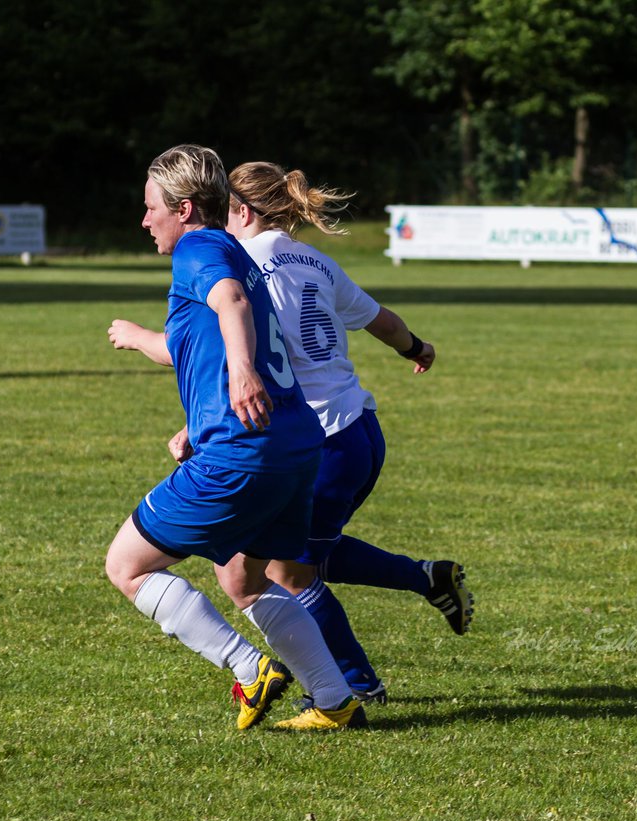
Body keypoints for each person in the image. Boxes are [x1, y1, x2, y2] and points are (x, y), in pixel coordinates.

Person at [110, 160, 472, 706]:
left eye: (151, 208)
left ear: (238, 210)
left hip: (285, 435)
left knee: (280, 571)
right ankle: (362, 661)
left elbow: (240, 334)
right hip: (345, 432)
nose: (144, 220)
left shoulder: (225, 257)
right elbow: (378, 323)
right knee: (268, 569)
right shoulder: (307, 262)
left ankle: (332, 680)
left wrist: (212, 393)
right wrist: (415, 347)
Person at [103, 144, 365, 731]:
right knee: (243, 577)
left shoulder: (198, 248)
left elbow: (231, 304)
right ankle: (334, 701)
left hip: (245, 449)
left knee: (127, 566)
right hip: (292, 444)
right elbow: (200, 344)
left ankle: (250, 669)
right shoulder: (235, 251)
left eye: (151, 208)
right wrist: (147, 344)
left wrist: (242, 374)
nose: (145, 220)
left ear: (185, 208)